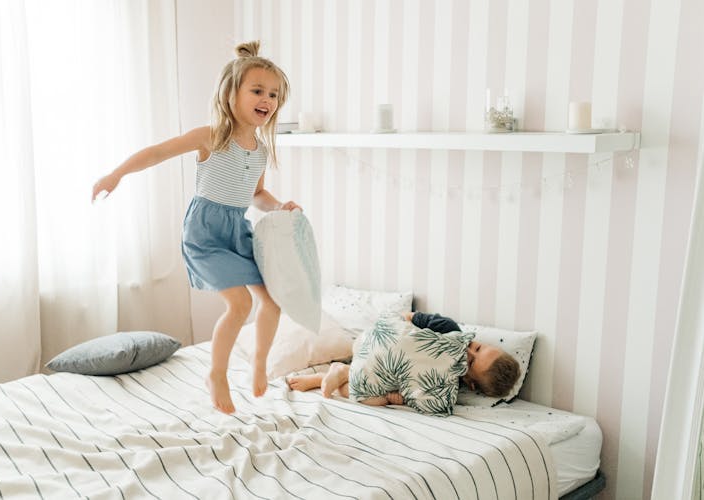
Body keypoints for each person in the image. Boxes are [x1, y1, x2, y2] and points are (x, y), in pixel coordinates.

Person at [91, 41, 299, 414]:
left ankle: (259, 363)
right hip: (205, 232)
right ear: (231, 93)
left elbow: (258, 194)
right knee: (240, 304)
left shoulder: (261, 149)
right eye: (257, 90)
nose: (266, 99)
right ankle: (216, 374)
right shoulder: (212, 135)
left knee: (272, 302)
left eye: (273, 94)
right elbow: (157, 151)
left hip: (238, 231)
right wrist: (116, 173)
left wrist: (279, 207)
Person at [287, 311, 520, 415]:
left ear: (470, 383)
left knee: (371, 398)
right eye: (478, 347)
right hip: (374, 345)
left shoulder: (446, 385)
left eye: (470, 362)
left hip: (379, 374)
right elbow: (407, 317)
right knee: (374, 385)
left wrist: (395, 398)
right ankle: (340, 370)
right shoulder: (448, 329)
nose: (468, 349)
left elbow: (410, 392)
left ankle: (331, 375)